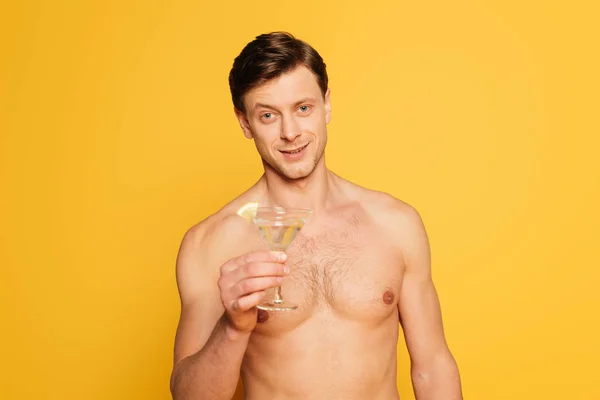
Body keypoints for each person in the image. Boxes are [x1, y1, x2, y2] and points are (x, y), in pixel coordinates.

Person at [169, 31, 462, 400]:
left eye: (302, 108)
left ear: (326, 105)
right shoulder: (210, 243)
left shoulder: (395, 224)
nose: (290, 132)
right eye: (268, 115)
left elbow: (432, 368)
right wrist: (233, 326)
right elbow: (188, 396)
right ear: (244, 123)